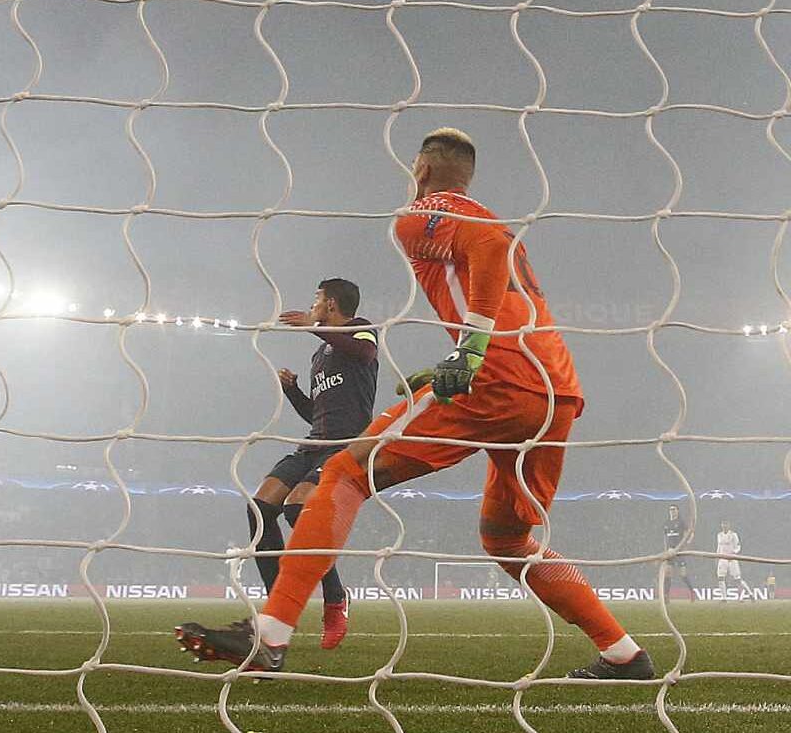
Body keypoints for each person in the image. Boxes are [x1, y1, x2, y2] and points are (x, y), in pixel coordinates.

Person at [175, 127, 652, 680]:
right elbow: (498, 272)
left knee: (346, 473)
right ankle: (623, 653)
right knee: (507, 538)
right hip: (554, 394)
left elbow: (488, 249)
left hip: (497, 379)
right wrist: (458, 355)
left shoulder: (422, 212)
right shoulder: (489, 218)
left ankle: (271, 634)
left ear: (421, 168)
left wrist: (471, 352)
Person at [246, 279, 377, 650]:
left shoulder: (360, 329)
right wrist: (293, 392)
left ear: (331, 304)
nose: (312, 304)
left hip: (347, 445)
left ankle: (336, 599)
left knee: (299, 510)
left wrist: (313, 325)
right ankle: (277, 606)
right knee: (259, 510)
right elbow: (317, 414)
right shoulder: (320, 354)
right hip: (314, 442)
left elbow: (365, 355)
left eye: (317, 299)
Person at [662, 505, 698, 600]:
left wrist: (687, 544)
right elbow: (665, 538)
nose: (672, 511)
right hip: (670, 552)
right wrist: (666, 550)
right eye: (670, 510)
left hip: (679, 551)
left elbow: (690, 533)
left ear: (678, 511)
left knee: (683, 575)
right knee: (668, 573)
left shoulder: (681, 522)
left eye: (674, 509)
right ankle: (666, 596)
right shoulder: (666, 523)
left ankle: (692, 592)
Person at [715, 520, 754, 601]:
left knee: (738, 580)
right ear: (721, 525)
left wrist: (734, 552)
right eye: (723, 524)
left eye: (726, 524)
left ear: (729, 525)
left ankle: (750, 593)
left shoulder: (733, 535)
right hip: (722, 559)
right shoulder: (719, 535)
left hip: (732, 559)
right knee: (720, 578)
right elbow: (719, 547)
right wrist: (716, 556)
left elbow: (738, 546)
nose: (724, 525)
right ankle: (724, 598)